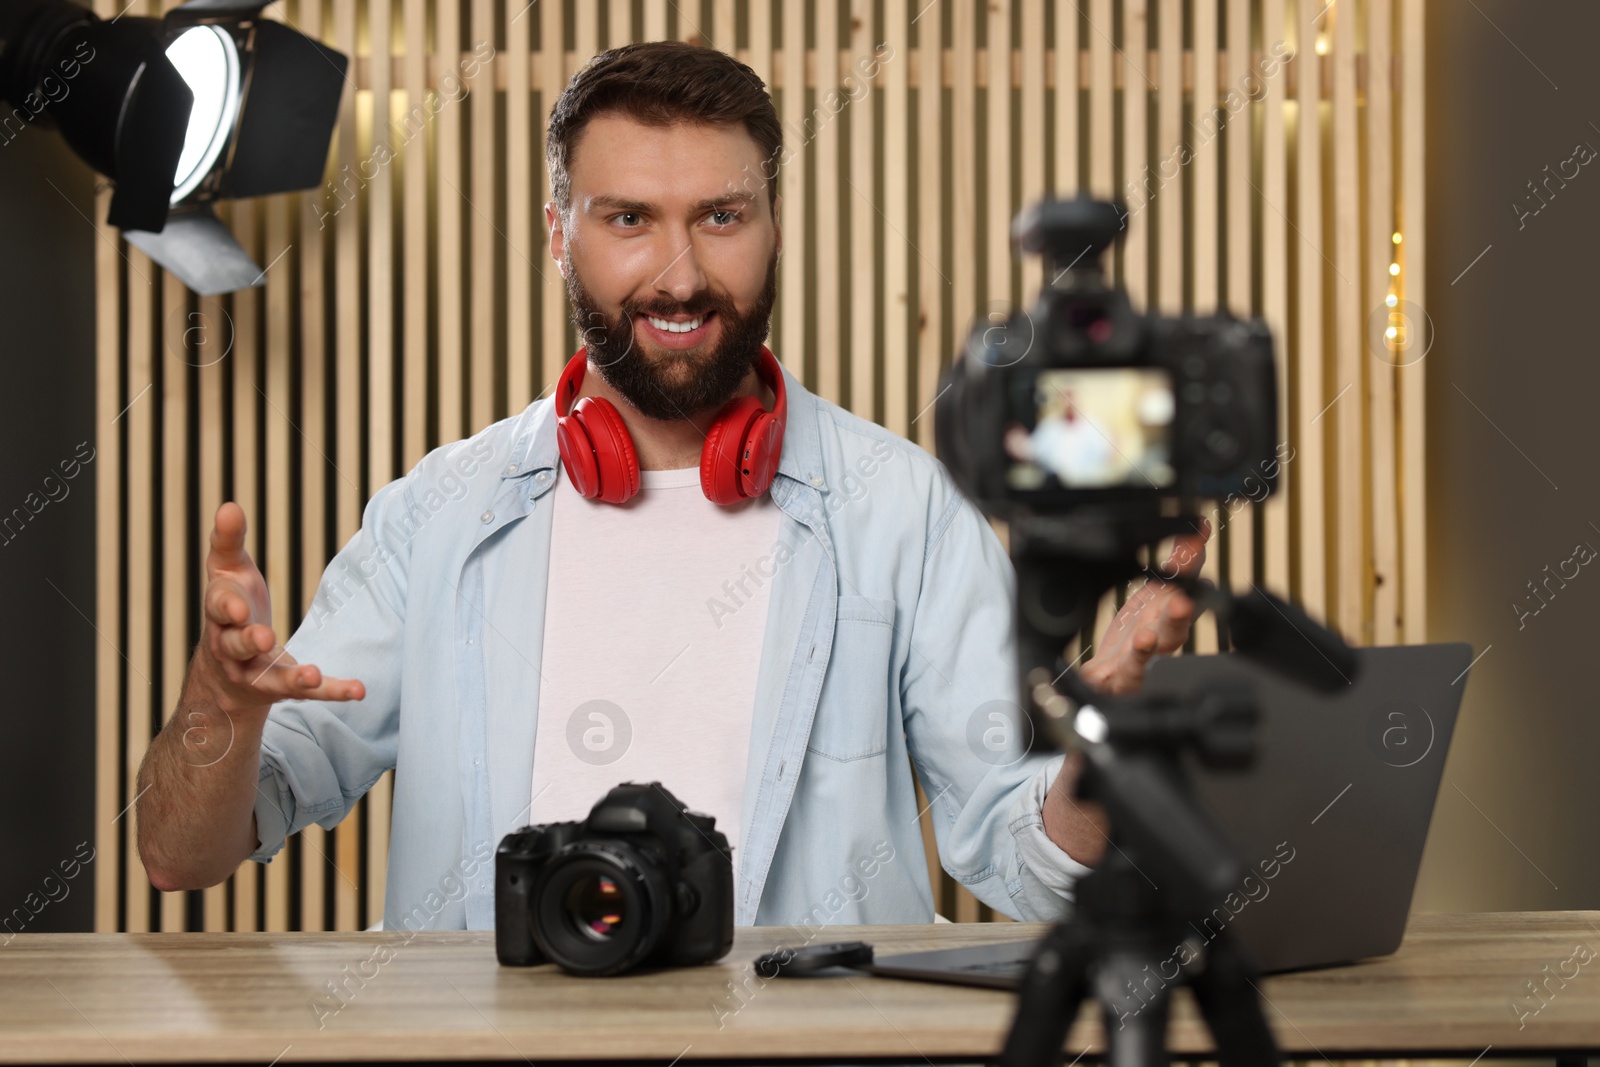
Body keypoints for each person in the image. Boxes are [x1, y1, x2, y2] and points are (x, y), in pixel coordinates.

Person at [135, 41, 1205, 932]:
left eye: (721, 217)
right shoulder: (435, 514)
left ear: (774, 227)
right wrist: (220, 709)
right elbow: (182, 854)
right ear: (559, 235)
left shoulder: (901, 507)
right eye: (629, 218)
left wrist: (1103, 754)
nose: (681, 273)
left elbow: (1023, 856)